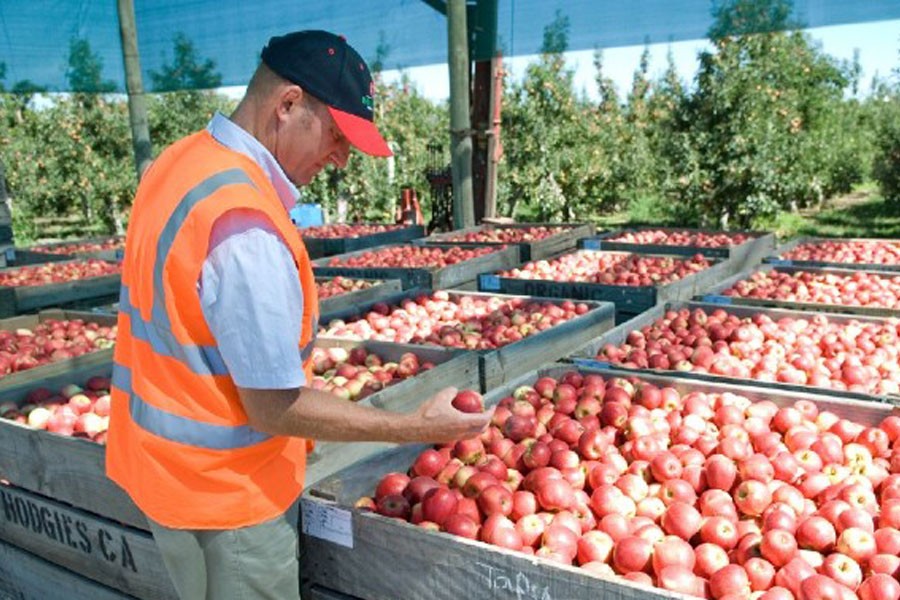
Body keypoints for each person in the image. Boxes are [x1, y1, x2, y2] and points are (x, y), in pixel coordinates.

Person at [105, 30, 492, 600]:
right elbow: (273, 403)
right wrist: (416, 428)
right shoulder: (243, 224)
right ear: (288, 105)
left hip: (167, 477)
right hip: (230, 503)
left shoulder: (178, 163)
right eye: (337, 136)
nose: (340, 158)